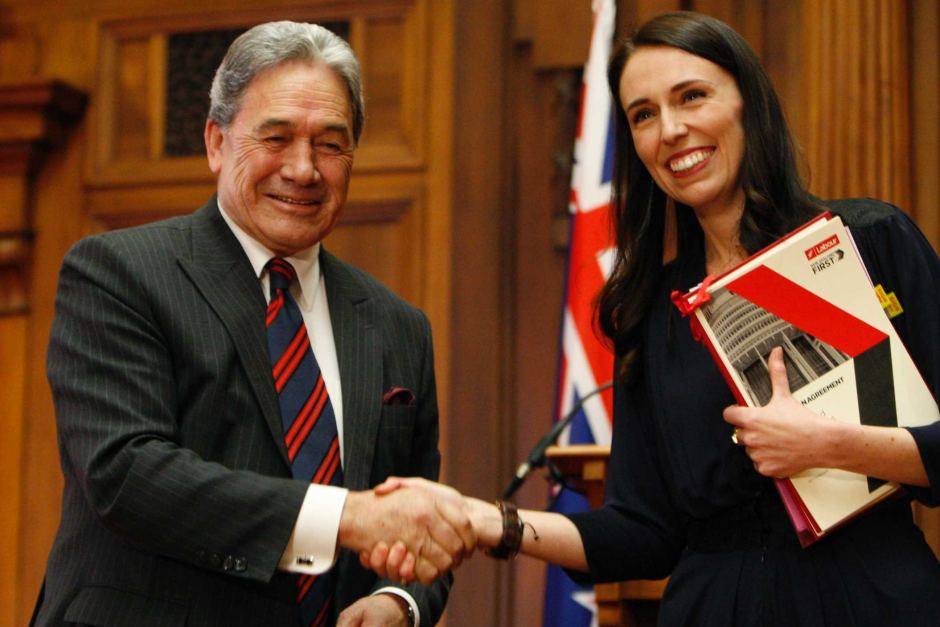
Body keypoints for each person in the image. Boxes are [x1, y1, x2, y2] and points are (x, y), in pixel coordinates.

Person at [369, 11, 940, 626]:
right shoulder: (652, 312)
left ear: (748, 102)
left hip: (876, 600)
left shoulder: (866, 240)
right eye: (643, 115)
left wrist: (831, 445)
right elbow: (643, 531)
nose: (670, 130)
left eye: (692, 97)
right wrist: (488, 522)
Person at [32, 21, 473, 627]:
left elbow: (412, 519)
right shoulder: (119, 273)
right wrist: (343, 516)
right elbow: (125, 474)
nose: (303, 169)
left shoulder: (399, 327)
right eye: (277, 138)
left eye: (329, 144)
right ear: (216, 142)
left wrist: (397, 601)